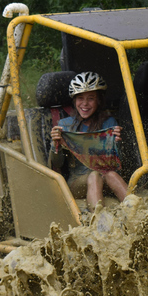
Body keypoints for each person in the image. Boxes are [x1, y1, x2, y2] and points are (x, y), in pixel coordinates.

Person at [49, 71, 128, 209]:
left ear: (98, 100)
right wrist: (56, 145)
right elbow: (58, 164)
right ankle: (98, 220)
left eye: (91, 98)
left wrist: (116, 144)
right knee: (94, 175)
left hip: (106, 177)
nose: (85, 104)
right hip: (78, 181)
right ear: (74, 100)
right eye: (80, 98)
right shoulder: (64, 125)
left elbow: (117, 164)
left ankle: (138, 211)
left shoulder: (109, 123)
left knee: (111, 175)